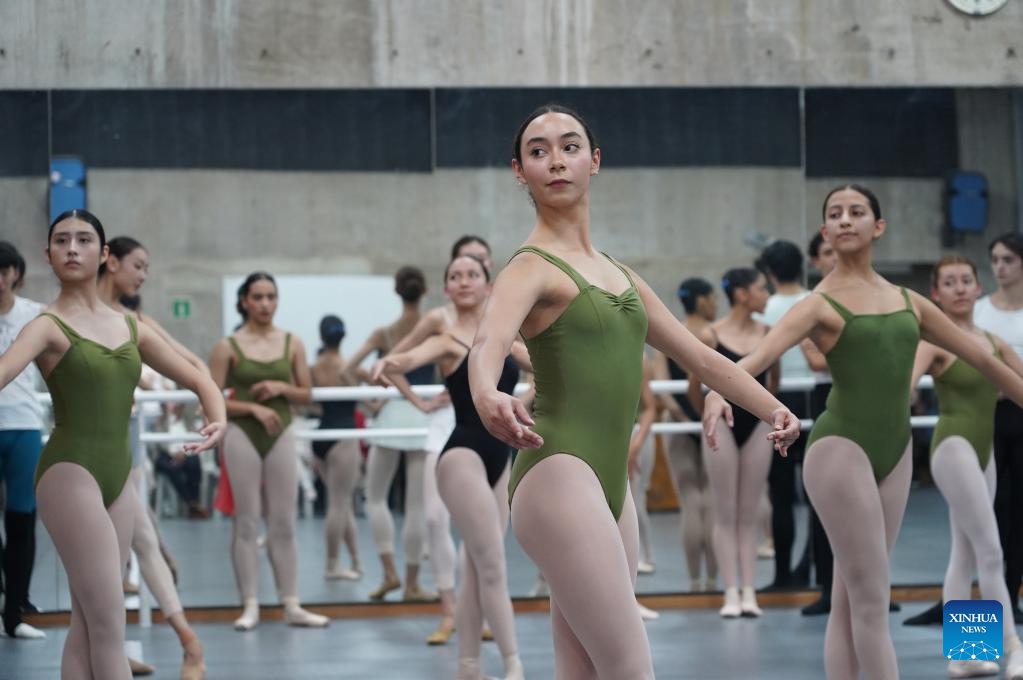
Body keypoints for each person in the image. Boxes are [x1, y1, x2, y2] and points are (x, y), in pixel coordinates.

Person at [468, 104, 800, 678]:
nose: (556, 161)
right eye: (538, 151)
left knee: (586, 668)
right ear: (519, 171)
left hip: (608, 484)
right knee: (630, 667)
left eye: (570, 146)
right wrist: (485, 392)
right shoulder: (529, 268)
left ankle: (983, 650)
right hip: (559, 469)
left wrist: (775, 409)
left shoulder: (620, 274)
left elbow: (700, 357)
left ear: (594, 161)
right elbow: (487, 342)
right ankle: (737, 590)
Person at [701, 185, 1023, 679]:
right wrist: (720, 390)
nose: (846, 219)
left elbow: (988, 361)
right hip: (881, 447)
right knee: (960, 562)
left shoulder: (922, 309)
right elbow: (756, 360)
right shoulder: (822, 305)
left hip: (920, 452)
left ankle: (969, 651)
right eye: (835, 214)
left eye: (857, 211)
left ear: (879, 226)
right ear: (825, 231)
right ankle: (1004, 646)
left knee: (931, 568)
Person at [0, 210, 226, 679]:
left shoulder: (131, 327)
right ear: (48, 255)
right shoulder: (45, 326)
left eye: (84, 240)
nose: (72, 249)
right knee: (110, 626)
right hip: (70, 473)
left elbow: (198, 376)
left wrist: (217, 419)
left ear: (103, 255)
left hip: (117, 477)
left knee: (88, 624)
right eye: (61, 241)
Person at [380, 253, 528, 680]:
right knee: (493, 562)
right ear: (446, 289)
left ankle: (468, 666)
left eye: (472, 275)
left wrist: (528, 404)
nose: (464, 282)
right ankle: (513, 663)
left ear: (487, 285)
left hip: (502, 457)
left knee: (477, 565)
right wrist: (390, 367)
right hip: (461, 453)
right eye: (455, 277)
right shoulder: (445, 339)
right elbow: (403, 360)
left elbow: (549, 370)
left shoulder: (505, 340)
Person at [369, 236, 494, 644]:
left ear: (487, 273)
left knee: (485, 528)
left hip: (492, 429)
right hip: (447, 425)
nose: (466, 276)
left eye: (476, 266)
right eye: (459, 270)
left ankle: (479, 609)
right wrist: (420, 402)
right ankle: (449, 611)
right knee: (436, 518)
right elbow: (394, 361)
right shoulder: (439, 321)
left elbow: (529, 364)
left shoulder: (502, 313)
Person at [96, 236, 211, 677]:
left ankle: (190, 643)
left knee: (136, 539)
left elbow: (190, 359)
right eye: (138, 265)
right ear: (111, 262)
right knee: (104, 553)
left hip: (123, 442)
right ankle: (113, 648)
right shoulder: (71, 316)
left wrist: (206, 397)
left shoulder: (135, 320)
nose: (143, 275)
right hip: (83, 444)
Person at [911, 255, 1023, 678]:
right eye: (949, 283)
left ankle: (965, 653)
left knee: (965, 554)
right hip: (953, 448)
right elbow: (904, 385)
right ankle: (1013, 647)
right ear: (936, 294)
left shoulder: (994, 343)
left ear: (979, 289)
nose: (959, 288)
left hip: (984, 451)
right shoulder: (935, 342)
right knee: (991, 549)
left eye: (966, 281)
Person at [209, 271, 328, 631]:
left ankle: (291, 602)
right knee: (246, 520)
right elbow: (212, 399)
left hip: (281, 432)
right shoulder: (228, 346)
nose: (265, 304)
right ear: (244, 301)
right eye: (257, 297)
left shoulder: (292, 343)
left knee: (284, 521)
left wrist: (279, 386)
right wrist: (253, 409)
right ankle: (250, 603)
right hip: (242, 434)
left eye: (270, 297)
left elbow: (306, 394)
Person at [688, 267, 779, 617]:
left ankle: (749, 590)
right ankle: (730, 590)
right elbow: (695, 386)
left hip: (756, 425)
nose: (767, 295)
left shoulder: (768, 334)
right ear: (742, 294)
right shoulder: (712, 335)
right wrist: (709, 412)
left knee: (750, 510)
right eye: (761, 289)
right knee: (725, 512)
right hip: (721, 423)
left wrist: (764, 415)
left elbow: (772, 383)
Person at [342, 266, 435, 602]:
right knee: (416, 505)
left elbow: (348, 368)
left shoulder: (385, 333)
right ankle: (411, 584)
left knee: (376, 497)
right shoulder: (434, 327)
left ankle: (389, 573)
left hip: (392, 412)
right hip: (424, 414)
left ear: (397, 292)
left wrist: (372, 401)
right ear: (424, 291)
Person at [652, 277, 719, 592]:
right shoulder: (714, 333)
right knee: (711, 501)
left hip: (680, 420)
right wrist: (699, 414)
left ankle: (695, 581)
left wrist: (680, 413)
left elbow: (662, 387)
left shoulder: (670, 333)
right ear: (703, 301)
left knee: (691, 500)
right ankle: (713, 580)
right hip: (711, 417)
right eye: (713, 298)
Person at [756, 239, 813, 589]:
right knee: (818, 494)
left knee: (781, 496)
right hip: (814, 396)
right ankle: (812, 568)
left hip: (779, 400)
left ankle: (782, 576)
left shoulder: (769, 308)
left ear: (771, 272)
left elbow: (764, 358)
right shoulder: (814, 302)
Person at [976, 232, 1023, 622]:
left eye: (1008, 259)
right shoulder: (974, 319)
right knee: (977, 534)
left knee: (1010, 518)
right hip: (972, 426)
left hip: (1015, 418)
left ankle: (990, 645)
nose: (1000, 267)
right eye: (994, 259)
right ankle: (972, 652)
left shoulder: (999, 347)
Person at [0, 241, 45, 639]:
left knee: (22, 518)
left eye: (4, 270)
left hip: (24, 426)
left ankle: (14, 612)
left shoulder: (36, 314)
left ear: (16, 272)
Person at [309, 314, 362, 581]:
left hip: (321, 434)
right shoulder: (349, 366)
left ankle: (354, 559)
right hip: (344, 435)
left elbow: (305, 401)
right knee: (339, 503)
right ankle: (332, 566)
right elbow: (373, 399)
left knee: (342, 504)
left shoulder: (314, 367)